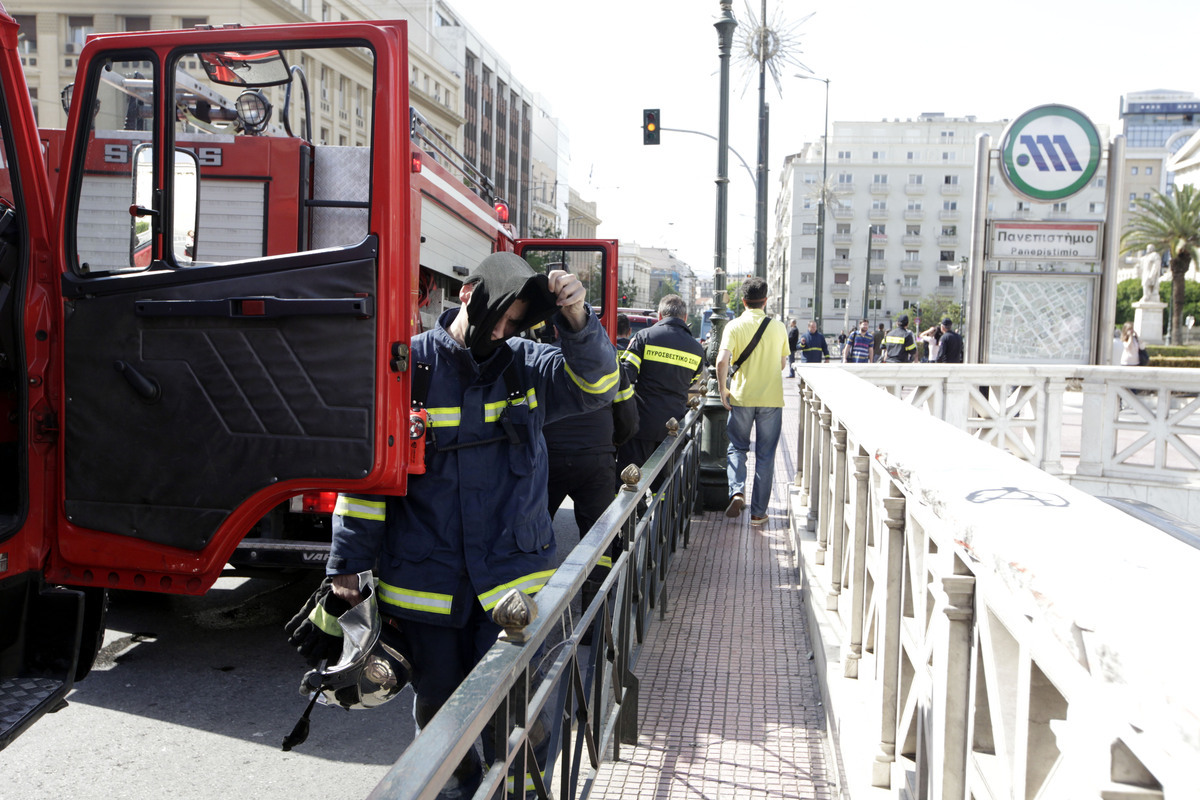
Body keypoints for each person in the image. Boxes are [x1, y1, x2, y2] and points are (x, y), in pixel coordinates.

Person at [322, 252, 618, 798]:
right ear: (469, 295)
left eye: (516, 325)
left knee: (524, 719)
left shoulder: (528, 363)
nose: (503, 333)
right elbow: (367, 479)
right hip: (426, 589)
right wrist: (348, 564)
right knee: (441, 721)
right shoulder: (407, 366)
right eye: (501, 318)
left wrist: (577, 320)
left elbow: (598, 384)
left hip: (514, 590)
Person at [716, 277, 790, 526]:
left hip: (741, 396)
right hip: (771, 399)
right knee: (766, 455)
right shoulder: (778, 327)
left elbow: (721, 361)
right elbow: (782, 364)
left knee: (737, 447)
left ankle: (737, 491)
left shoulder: (734, 326)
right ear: (765, 301)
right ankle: (759, 513)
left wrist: (723, 388)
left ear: (744, 301)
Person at [618, 294, 706, 470]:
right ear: (685, 317)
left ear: (659, 315)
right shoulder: (696, 349)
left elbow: (626, 376)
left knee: (629, 481)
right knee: (665, 485)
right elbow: (693, 382)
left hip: (641, 424)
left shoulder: (644, 337)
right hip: (673, 427)